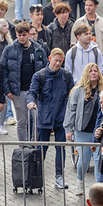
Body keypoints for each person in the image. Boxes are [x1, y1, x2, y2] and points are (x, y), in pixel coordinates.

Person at [27, 49, 74, 189]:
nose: (58, 63)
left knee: (61, 148)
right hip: (44, 117)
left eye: (61, 61)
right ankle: (36, 177)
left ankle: (59, 177)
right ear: (49, 58)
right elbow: (32, 92)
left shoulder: (66, 75)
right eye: (56, 60)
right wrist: (30, 102)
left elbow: (72, 93)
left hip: (61, 117)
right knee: (42, 148)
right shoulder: (39, 75)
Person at [2, 22, 48, 141]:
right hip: (18, 91)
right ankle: (23, 147)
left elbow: (45, 70)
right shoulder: (9, 50)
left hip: (35, 91)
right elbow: (3, 71)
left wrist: (43, 88)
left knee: (36, 120)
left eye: (24, 35)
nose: (21, 37)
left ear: (29, 34)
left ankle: (34, 146)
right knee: (22, 121)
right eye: (19, 35)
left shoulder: (38, 49)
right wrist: (7, 90)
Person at [63, 62, 103, 191]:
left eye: (95, 71)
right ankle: (80, 181)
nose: (93, 73)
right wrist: (68, 129)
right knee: (84, 161)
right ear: (86, 73)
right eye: (91, 71)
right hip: (82, 130)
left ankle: (99, 189)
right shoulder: (78, 90)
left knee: (99, 160)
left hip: (99, 131)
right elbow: (71, 110)